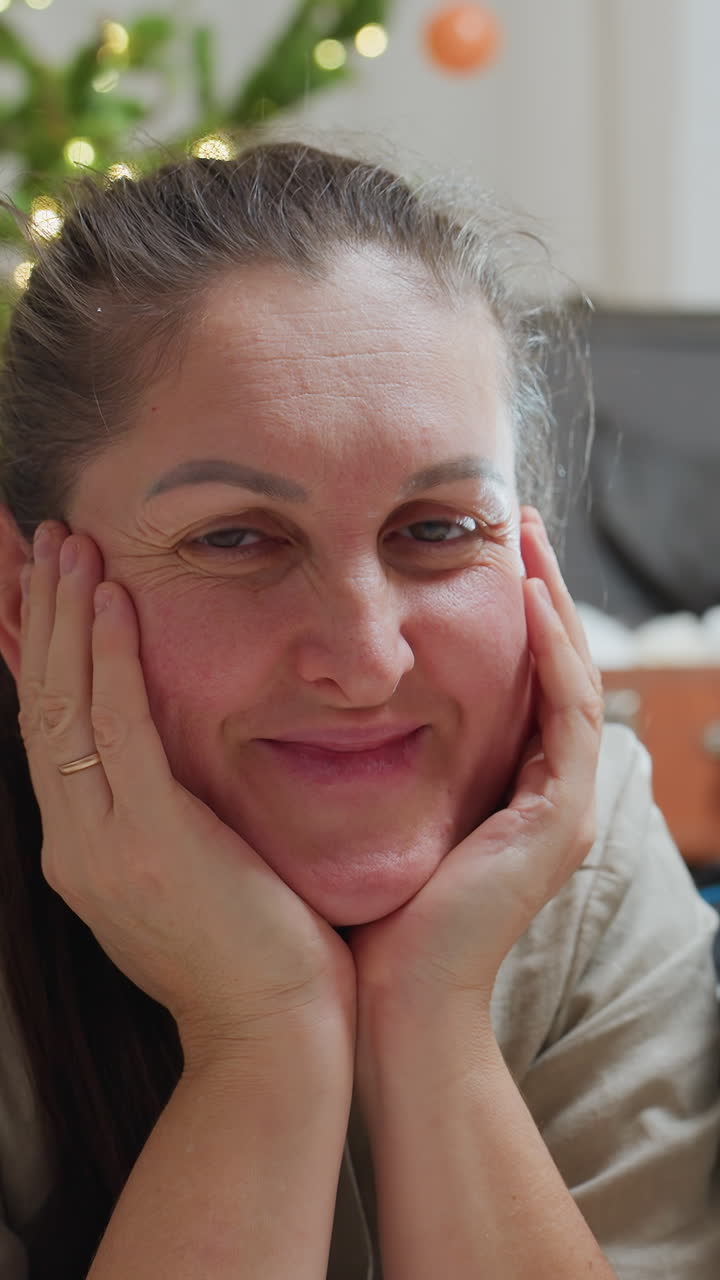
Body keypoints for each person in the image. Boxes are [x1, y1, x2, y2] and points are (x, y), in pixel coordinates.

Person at [0, 140, 717, 1280]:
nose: (368, 660)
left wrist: (434, 1021)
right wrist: (262, 1031)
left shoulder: (581, 837)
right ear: (27, 592)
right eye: (235, 537)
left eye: (436, 528)